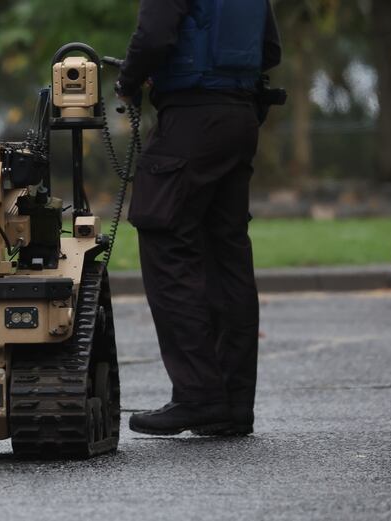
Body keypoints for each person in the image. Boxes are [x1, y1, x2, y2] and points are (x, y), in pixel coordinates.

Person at [117, 0, 282, 436]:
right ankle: (232, 404)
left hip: (190, 120)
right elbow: (270, 50)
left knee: (166, 241)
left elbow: (153, 35)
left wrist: (129, 82)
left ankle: (198, 397)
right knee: (226, 253)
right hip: (239, 118)